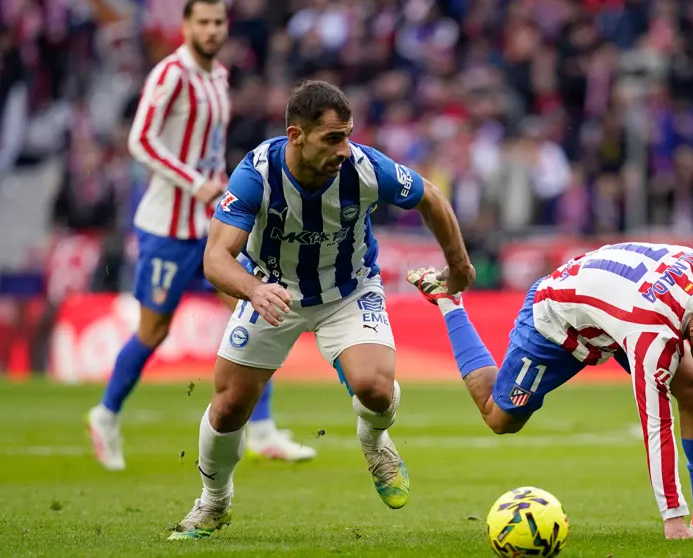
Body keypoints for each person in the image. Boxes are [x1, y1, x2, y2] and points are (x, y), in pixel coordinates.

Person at [407, 219, 693, 540]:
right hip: (557, 322)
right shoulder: (652, 339)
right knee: (499, 417)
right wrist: (672, 516)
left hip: (614, 313)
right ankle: (451, 302)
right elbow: (656, 426)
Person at [168, 80, 474, 540]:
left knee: (374, 388)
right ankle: (214, 502)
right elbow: (215, 258)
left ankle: (373, 441)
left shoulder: (366, 168)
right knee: (229, 407)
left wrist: (459, 265)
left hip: (349, 290)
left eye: (348, 135)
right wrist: (253, 289)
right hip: (273, 292)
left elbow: (429, 195)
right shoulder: (257, 174)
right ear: (296, 136)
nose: (345, 150)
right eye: (333, 138)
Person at [86, 0, 315, 471]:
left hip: (212, 225)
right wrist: (194, 182)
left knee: (254, 312)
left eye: (218, 22)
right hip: (167, 228)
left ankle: (265, 429)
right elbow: (141, 140)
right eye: (203, 22)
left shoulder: (219, 76)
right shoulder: (171, 74)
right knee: (154, 331)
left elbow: (208, 147)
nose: (211, 30)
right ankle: (105, 414)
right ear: (187, 26)